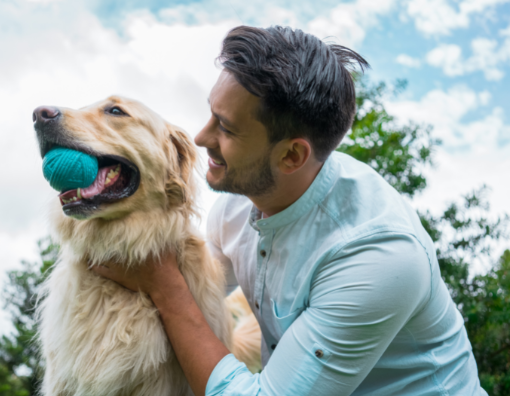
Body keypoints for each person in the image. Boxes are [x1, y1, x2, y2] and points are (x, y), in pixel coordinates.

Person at [93, 26, 486, 395]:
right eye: (211, 112)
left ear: (292, 155)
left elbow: (174, 292)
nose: (200, 137)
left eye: (226, 129)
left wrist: (165, 286)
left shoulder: (378, 257)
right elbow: (196, 289)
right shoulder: (235, 205)